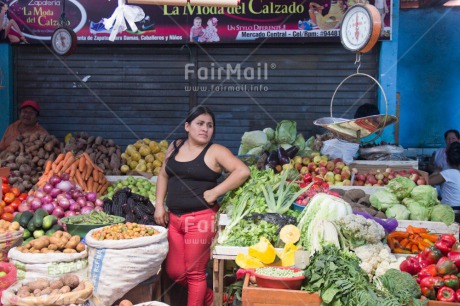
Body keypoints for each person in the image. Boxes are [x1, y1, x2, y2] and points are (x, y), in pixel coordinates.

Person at [154, 106, 250, 306]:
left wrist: (216, 192)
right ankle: (213, 299)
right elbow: (163, 175)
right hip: (174, 220)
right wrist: (159, 206)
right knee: (174, 271)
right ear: (187, 126)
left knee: (195, 274)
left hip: (201, 220)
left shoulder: (216, 151)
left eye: (210, 125)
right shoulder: (176, 146)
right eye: (200, 124)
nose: (205, 129)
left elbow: (242, 171)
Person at [429, 142, 460, 211]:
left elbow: (427, 181)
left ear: (446, 159)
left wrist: (436, 172)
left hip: (451, 211)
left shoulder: (448, 173)